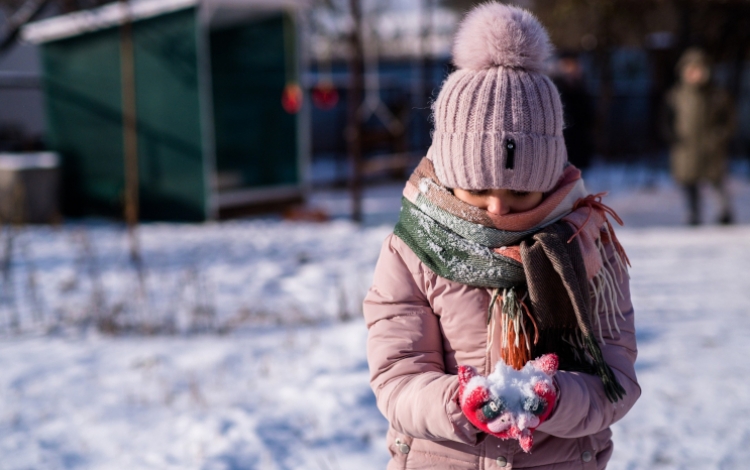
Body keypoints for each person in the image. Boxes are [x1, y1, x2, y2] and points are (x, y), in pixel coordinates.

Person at [363, 4, 640, 469]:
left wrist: (555, 399)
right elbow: (397, 376)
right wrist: (458, 400)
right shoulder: (411, 250)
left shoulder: (587, 244)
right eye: (477, 189)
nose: (496, 207)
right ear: (450, 177)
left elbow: (615, 379)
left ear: (549, 178)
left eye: (519, 190)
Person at [663, 48, 736, 225]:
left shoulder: (717, 94)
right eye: (691, 70)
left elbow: (729, 119)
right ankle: (692, 214)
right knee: (689, 183)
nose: (694, 74)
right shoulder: (676, 95)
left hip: (711, 146)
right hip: (686, 148)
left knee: (716, 181)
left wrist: (719, 136)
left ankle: (724, 212)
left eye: (698, 70)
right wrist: (673, 136)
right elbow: (666, 119)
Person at [553, 52, 595, 170]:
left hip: (579, 141)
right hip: (563, 142)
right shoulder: (556, 87)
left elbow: (589, 116)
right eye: (567, 65)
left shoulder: (582, 87)